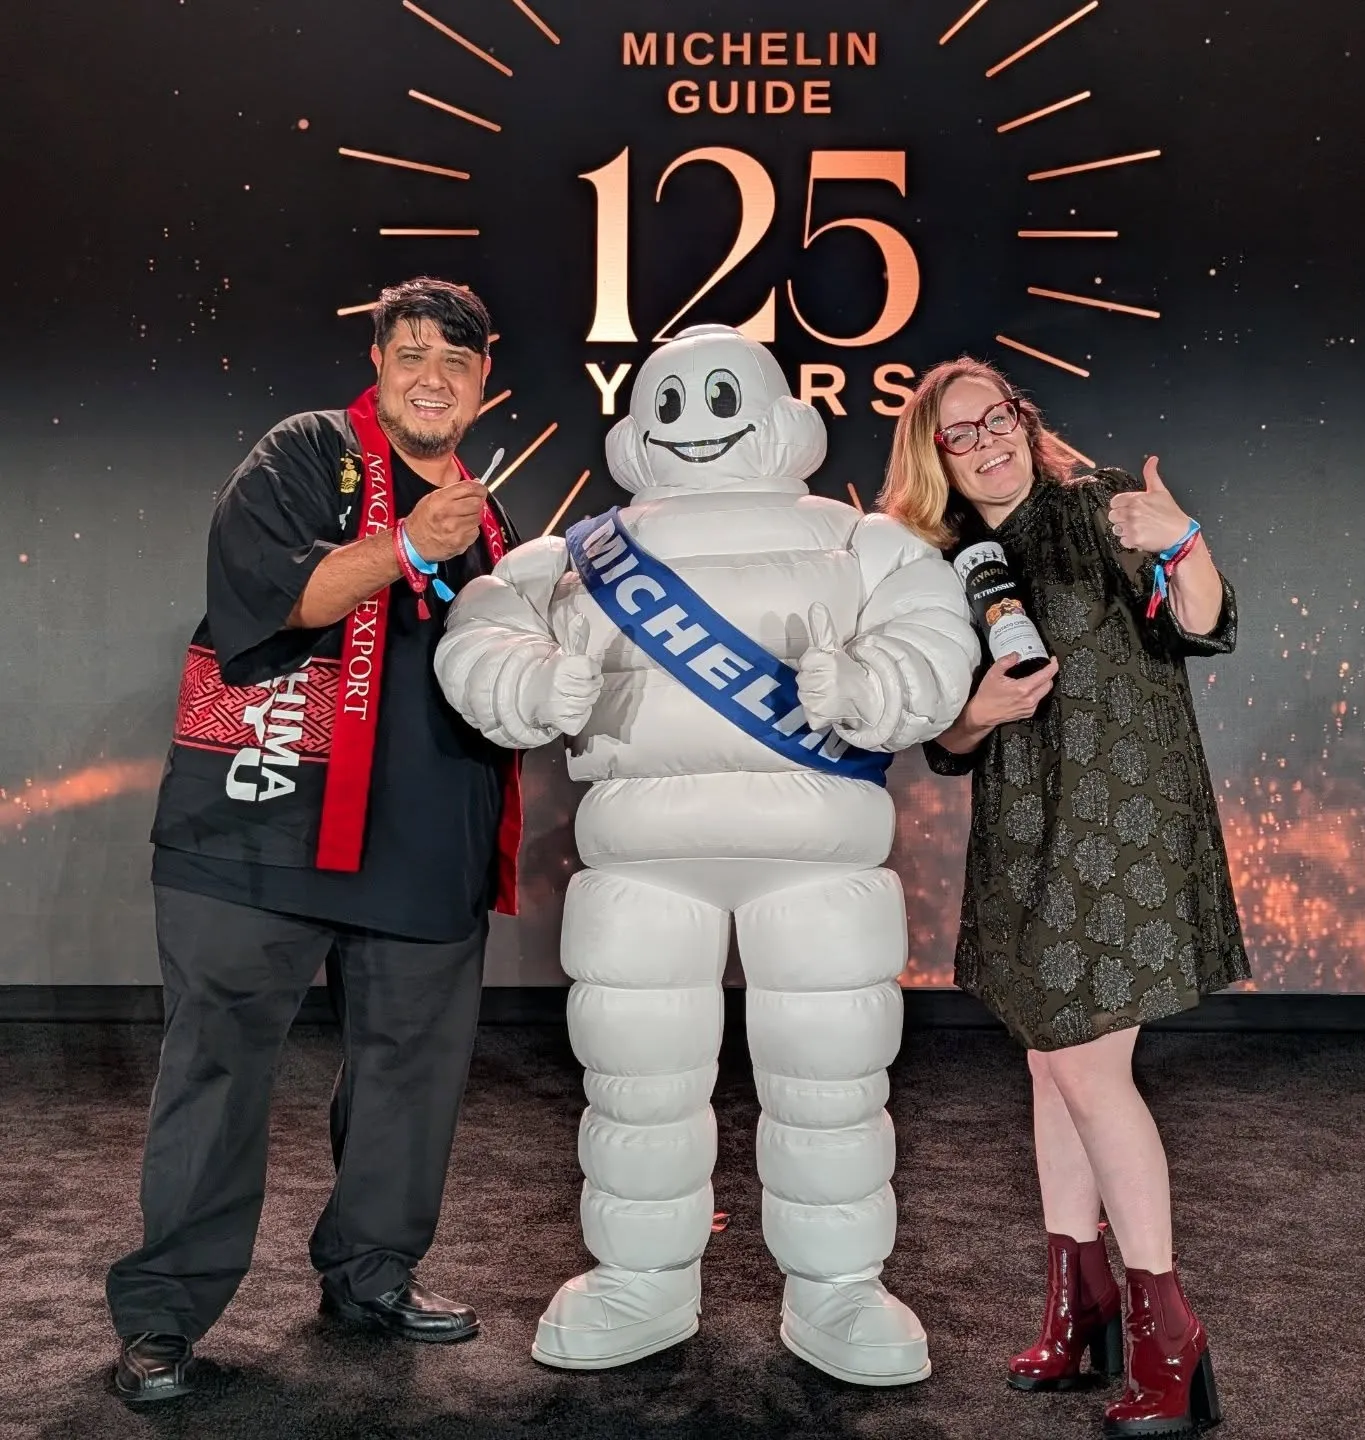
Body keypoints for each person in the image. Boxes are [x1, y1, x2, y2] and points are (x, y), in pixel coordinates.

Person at [435, 325, 979, 1385]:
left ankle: (838, 1292)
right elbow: (481, 630)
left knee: (832, 1082)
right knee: (637, 1082)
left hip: (816, 858)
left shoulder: (865, 542)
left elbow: (934, 640)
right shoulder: (580, 553)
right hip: (643, 859)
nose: (697, 420)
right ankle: (641, 1280)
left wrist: (868, 689)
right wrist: (532, 685)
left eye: (719, 396)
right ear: (639, 425)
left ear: (782, 412)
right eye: (671, 402)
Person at [105, 277, 522, 1403]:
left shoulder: (493, 519)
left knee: (409, 1077)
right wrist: (401, 543)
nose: (433, 374)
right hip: (260, 822)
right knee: (216, 1070)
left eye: (457, 358)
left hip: (427, 839)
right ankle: (164, 1313)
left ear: (485, 380)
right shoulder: (304, 454)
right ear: (379, 363)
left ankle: (373, 1276)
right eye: (412, 352)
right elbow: (275, 594)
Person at [880, 357, 1248, 1436]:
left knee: (1088, 1069)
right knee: (1048, 1062)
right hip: (1026, 834)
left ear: (1023, 422)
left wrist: (1183, 543)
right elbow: (946, 740)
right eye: (961, 431)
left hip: (1123, 829)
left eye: (999, 416)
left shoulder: (1099, 511)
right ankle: (1078, 1304)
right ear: (934, 457)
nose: (988, 438)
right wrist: (981, 707)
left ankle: (1169, 1335)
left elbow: (1202, 619)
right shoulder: (945, 564)